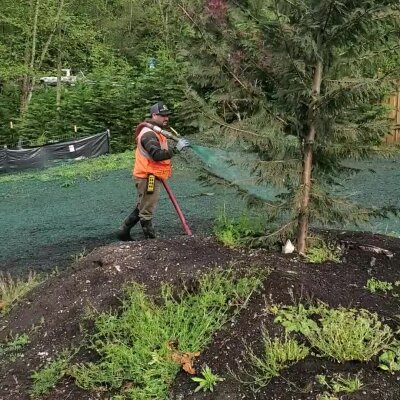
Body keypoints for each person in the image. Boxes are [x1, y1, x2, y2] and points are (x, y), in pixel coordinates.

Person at [117, 102, 190, 240]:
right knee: (147, 209)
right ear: (154, 115)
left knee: (143, 205)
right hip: (148, 176)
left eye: (167, 115)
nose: (166, 118)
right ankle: (151, 241)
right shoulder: (148, 134)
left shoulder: (156, 130)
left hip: (150, 173)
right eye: (162, 115)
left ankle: (123, 231)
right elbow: (157, 155)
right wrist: (176, 149)